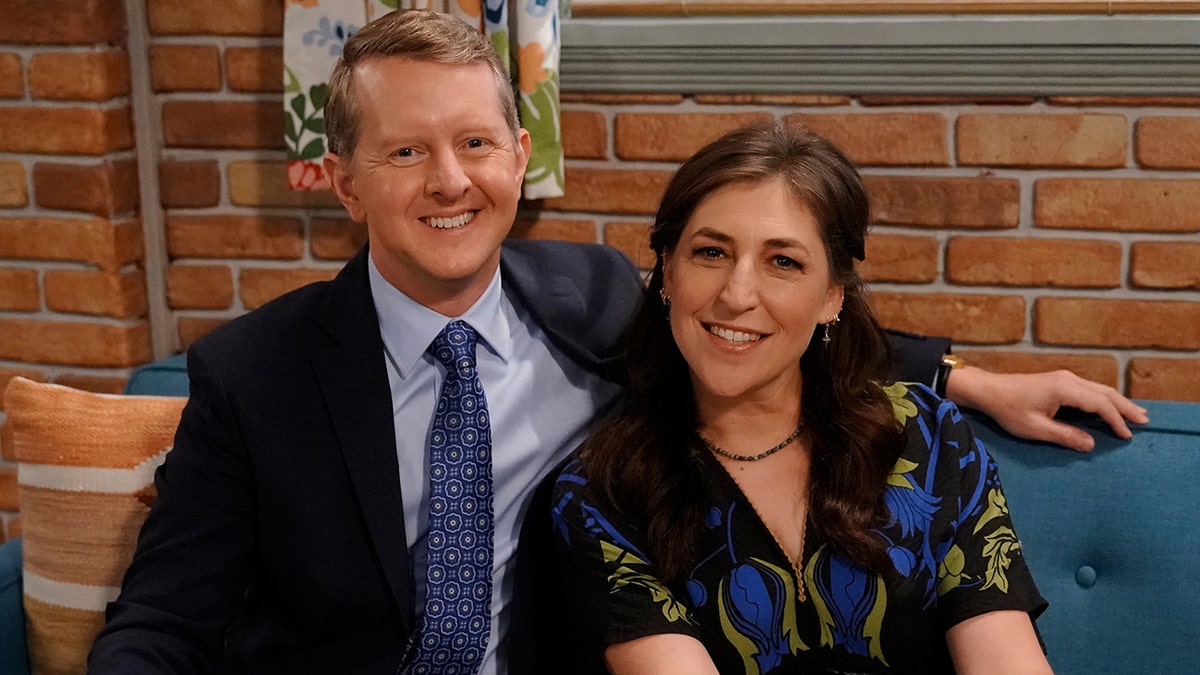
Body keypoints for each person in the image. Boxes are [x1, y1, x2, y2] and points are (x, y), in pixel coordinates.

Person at [88, 8, 1138, 674]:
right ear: (345, 178)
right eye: (407, 150)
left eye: (475, 144)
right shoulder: (252, 376)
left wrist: (971, 377)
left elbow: (755, 317)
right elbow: (164, 619)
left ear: (518, 157)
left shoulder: (585, 293)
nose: (450, 181)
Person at [551, 120, 1054, 674]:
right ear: (667, 270)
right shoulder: (606, 490)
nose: (738, 294)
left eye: (783, 262)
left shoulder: (929, 438)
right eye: (711, 252)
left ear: (832, 297)